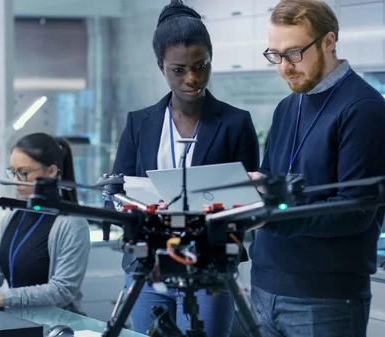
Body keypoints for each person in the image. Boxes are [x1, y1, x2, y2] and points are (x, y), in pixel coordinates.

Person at [247, 0, 385, 336]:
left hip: (324, 297)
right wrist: (258, 186)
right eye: (275, 55)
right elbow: (278, 181)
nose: (284, 67)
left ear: (328, 41)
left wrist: (273, 215)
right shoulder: (287, 107)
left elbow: (355, 211)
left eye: (294, 53)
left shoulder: (364, 109)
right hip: (264, 286)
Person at [112, 0, 260, 335]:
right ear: (160, 66)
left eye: (201, 65)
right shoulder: (139, 124)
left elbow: (250, 205)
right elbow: (116, 192)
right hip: (148, 270)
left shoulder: (237, 124)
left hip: (209, 269)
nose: (192, 78)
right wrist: (142, 209)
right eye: (179, 70)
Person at [0, 132, 91, 315]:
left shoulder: (72, 224)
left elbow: (62, 291)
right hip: (18, 320)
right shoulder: (13, 216)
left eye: (24, 173)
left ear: (51, 171)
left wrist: (3, 297)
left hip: (55, 326)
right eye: (13, 172)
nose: (15, 181)